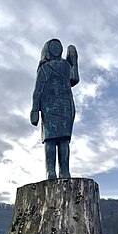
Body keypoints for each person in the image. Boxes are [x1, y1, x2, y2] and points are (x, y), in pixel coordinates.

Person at [30, 38, 79, 179]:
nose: (57, 48)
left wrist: (73, 59)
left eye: (58, 46)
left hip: (65, 105)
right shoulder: (44, 68)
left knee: (64, 140)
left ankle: (64, 171)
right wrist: (35, 110)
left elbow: (74, 78)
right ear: (48, 49)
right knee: (50, 140)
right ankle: (50, 171)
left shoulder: (65, 65)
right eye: (53, 46)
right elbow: (37, 90)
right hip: (48, 107)